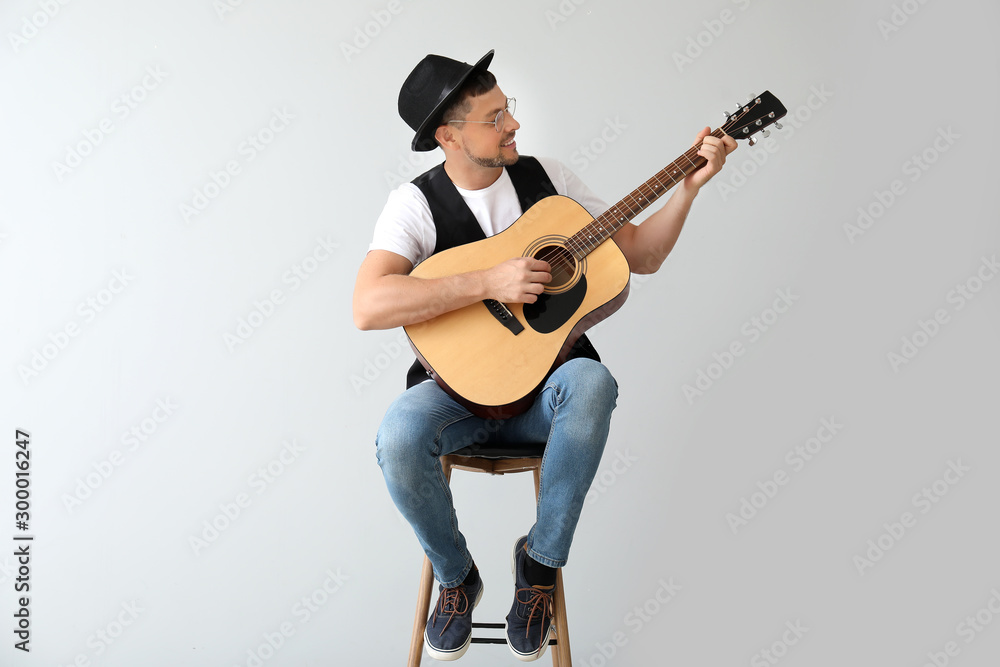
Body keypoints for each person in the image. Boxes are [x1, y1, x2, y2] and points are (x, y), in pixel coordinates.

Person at [353, 49, 736, 662]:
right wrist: (488, 282)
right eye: (494, 116)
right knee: (397, 437)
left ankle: (538, 567)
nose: (513, 125)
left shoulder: (548, 182)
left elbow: (642, 255)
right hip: (457, 398)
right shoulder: (415, 204)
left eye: (509, 108)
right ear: (449, 136)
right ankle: (455, 577)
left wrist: (689, 189)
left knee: (593, 382)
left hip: (546, 395)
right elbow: (369, 305)